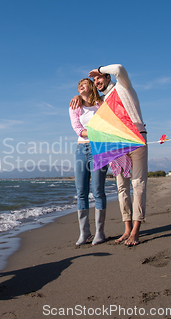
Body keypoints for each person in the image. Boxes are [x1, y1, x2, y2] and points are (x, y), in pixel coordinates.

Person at [71, 64, 147, 246]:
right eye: (94, 80)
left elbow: (119, 69)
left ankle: (135, 231)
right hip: (115, 144)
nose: (97, 82)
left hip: (136, 138)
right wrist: (78, 96)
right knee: (121, 187)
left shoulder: (122, 86)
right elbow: (83, 123)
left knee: (137, 185)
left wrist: (99, 68)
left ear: (107, 77)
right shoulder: (103, 100)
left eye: (99, 78)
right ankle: (126, 229)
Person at [69, 78, 108, 246]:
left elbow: (107, 124)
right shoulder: (75, 105)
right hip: (81, 150)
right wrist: (94, 133)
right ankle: (84, 233)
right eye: (78, 85)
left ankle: (100, 232)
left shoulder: (102, 103)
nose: (80, 86)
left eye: (84, 83)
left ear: (91, 86)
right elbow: (78, 129)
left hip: (99, 149)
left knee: (98, 190)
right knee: (81, 192)